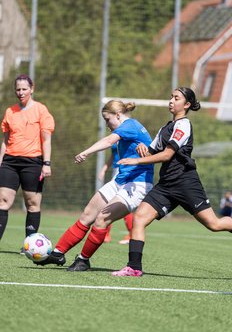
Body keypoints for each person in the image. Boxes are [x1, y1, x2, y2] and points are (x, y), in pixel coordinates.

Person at [112, 87, 232, 277]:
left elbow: (167, 155)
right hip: (166, 185)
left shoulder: (184, 125)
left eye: (176, 98)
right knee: (139, 218)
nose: (171, 100)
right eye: (171, 97)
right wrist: (141, 149)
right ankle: (134, 267)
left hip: (186, 183)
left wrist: (137, 160)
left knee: (214, 224)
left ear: (186, 105)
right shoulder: (165, 128)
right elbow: (152, 152)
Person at [35, 99, 154, 271]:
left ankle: (83, 260)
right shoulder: (128, 127)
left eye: (108, 120)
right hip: (120, 181)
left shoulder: (130, 125)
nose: (107, 124)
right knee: (87, 215)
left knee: (101, 219)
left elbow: (108, 141)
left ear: (118, 115)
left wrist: (86, 152)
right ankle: (57, 253)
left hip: (137, 185)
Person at [0, 74, 55, 252]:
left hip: (33, 162)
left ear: (32, 89)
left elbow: (46, 140)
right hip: (10, 162)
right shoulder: (10, 112)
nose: (21, 92)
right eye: (18, 89)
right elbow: (5, 140)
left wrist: (46, 163)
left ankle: (28, 246)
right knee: (3, 201)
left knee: (32, 203)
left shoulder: (41, 110)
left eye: (24, 89)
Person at [98, 142, 134, 244]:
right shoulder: (116, 137)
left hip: (124, 170)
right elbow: (114, 155)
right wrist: (104, 169)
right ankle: (106, 234)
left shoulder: (127, 133)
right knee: (114, 201)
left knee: (120, 201)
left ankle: (132, 234)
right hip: (116, 170)